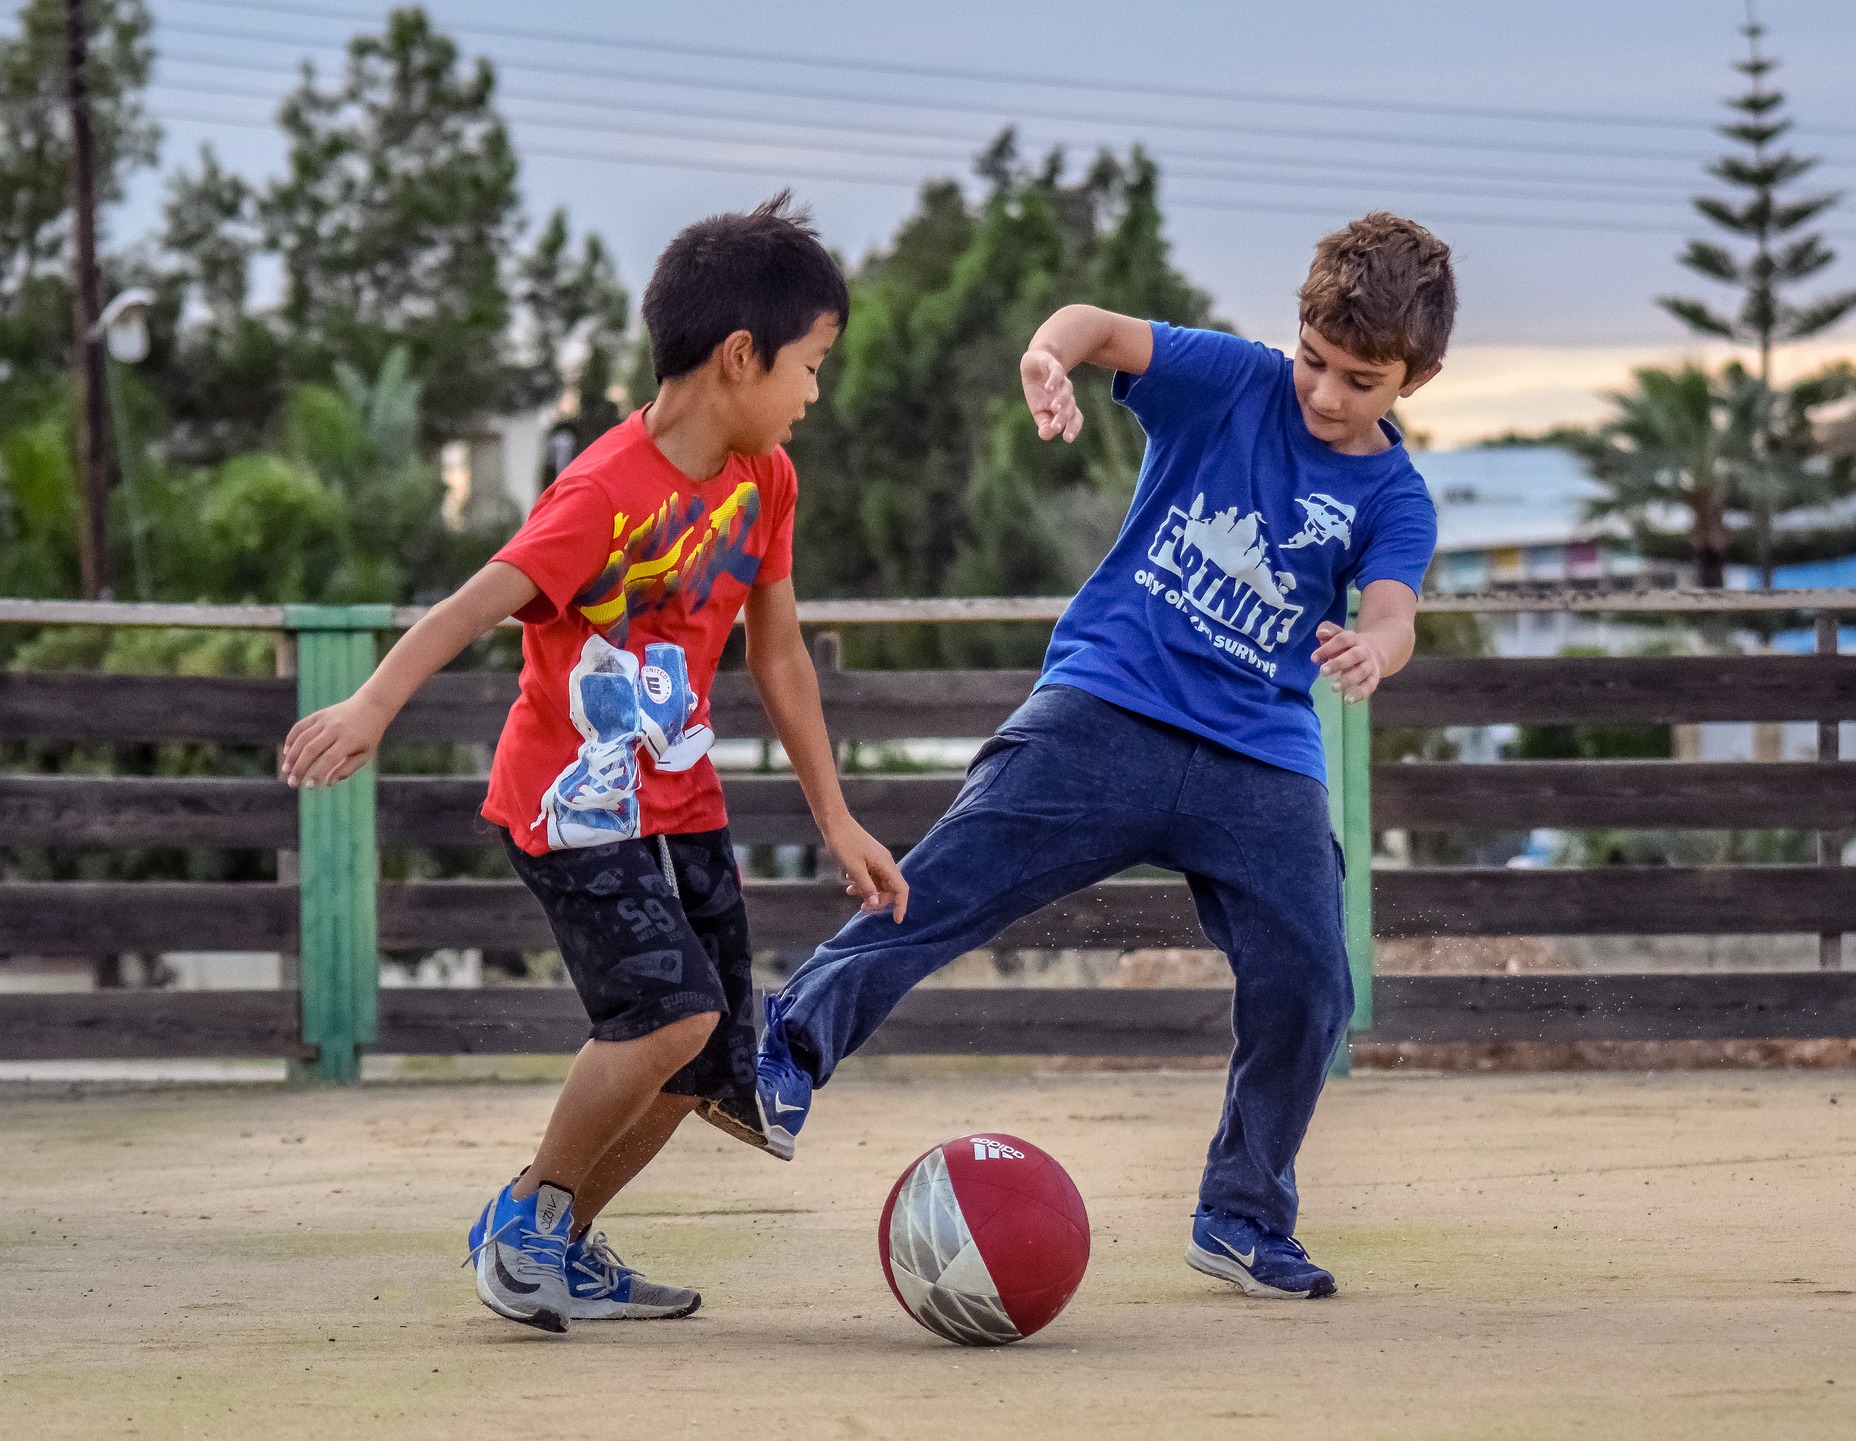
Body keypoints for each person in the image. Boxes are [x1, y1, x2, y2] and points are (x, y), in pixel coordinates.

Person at [752, 212, 1452, 1301]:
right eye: (1316, 361)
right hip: (1108, 703)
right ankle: (789, 1046)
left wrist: (1376, 645)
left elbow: (1398, 604)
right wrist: (1047, 353)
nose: (1324, 394)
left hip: (1257, 754)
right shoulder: (1232, 380)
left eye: (1361, 381)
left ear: (1416, 376)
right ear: (1296, 334)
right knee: (942, 883)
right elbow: (1098, 327)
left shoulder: (1395, 494)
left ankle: (1243, 1212)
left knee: (1312, 977)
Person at [279, 195, 907, 1334]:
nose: (815, 393)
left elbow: (778, 653)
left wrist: (837, 815)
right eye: (811, 366)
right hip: (571, 803)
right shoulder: (602, 492)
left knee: (710, 1052)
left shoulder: (765, 482)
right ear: (738, 356)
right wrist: (374, 702)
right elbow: (478, 601)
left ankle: (554, 1243)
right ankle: (524, 1221)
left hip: (682, 799)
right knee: (665, 1013)